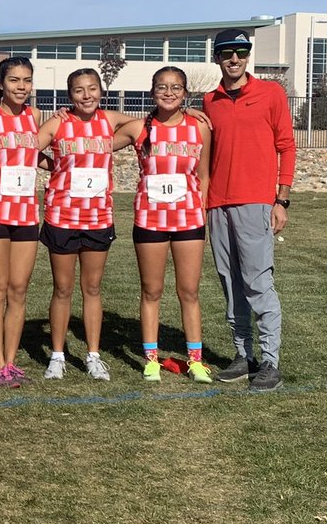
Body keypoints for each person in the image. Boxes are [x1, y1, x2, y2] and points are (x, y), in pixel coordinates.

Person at [202, 29, 296, 392]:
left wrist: (281, 199)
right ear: (217, 57)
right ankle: (244, 356)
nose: (234, 59)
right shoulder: (209, 101)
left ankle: (270, 362)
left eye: (241, 52)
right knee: (230, 283)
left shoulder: (271, 93)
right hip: (217, 206)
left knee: (258, 284)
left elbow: (286, 146)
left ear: (247, 56)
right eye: (227, 52)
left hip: (255, 203)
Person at [37, 69, 138, 382]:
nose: (86, 95)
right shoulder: (58, 123)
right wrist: (54, 166)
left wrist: (187, 113)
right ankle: (57, 356)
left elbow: (148, 125)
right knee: (62, 288)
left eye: (92, 88)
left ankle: (93, 355)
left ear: (101, 91)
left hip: (97, 218)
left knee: (92, 288)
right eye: (79, 90)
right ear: (70, 95)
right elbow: (27, 148)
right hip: (62, 217)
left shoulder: (109, 121)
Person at [115, 67, 213, 383]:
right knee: (151, 290)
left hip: (189, 220)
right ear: (152, 91)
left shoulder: (199, 127)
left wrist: (202, 211)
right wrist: (66, 115)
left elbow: (204, 175)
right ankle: (151, 360)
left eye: (176, 88)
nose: (169, 93)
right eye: (162, 87)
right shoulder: (138, 128)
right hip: (150, 219)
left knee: (189, 291)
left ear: (185, 93)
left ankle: (195, 361)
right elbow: (100, 129)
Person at [0, 56, 41, 387]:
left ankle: (12, 361)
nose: (21, 86)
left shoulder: (36, 117)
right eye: (14, 80)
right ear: (1, 83)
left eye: (26, 80)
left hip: (26, 214)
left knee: (19, 290)